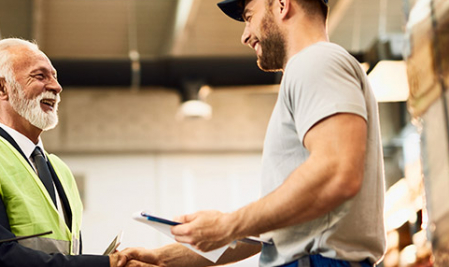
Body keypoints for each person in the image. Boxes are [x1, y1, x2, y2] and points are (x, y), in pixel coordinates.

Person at [122, 0, 385, 266]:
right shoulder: (312, 68)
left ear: (282, 5)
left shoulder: (316, 61)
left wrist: (229, 224)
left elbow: (338, 172)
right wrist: (162, 260)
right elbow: (270, 230)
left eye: (249, 17)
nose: (245, 35)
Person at [0, 38, 149, 267]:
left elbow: (63, 253)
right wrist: (106, 265)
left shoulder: (60, 170)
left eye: (55, 76)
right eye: (40, 76)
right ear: (0, 88)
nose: (56, 87)